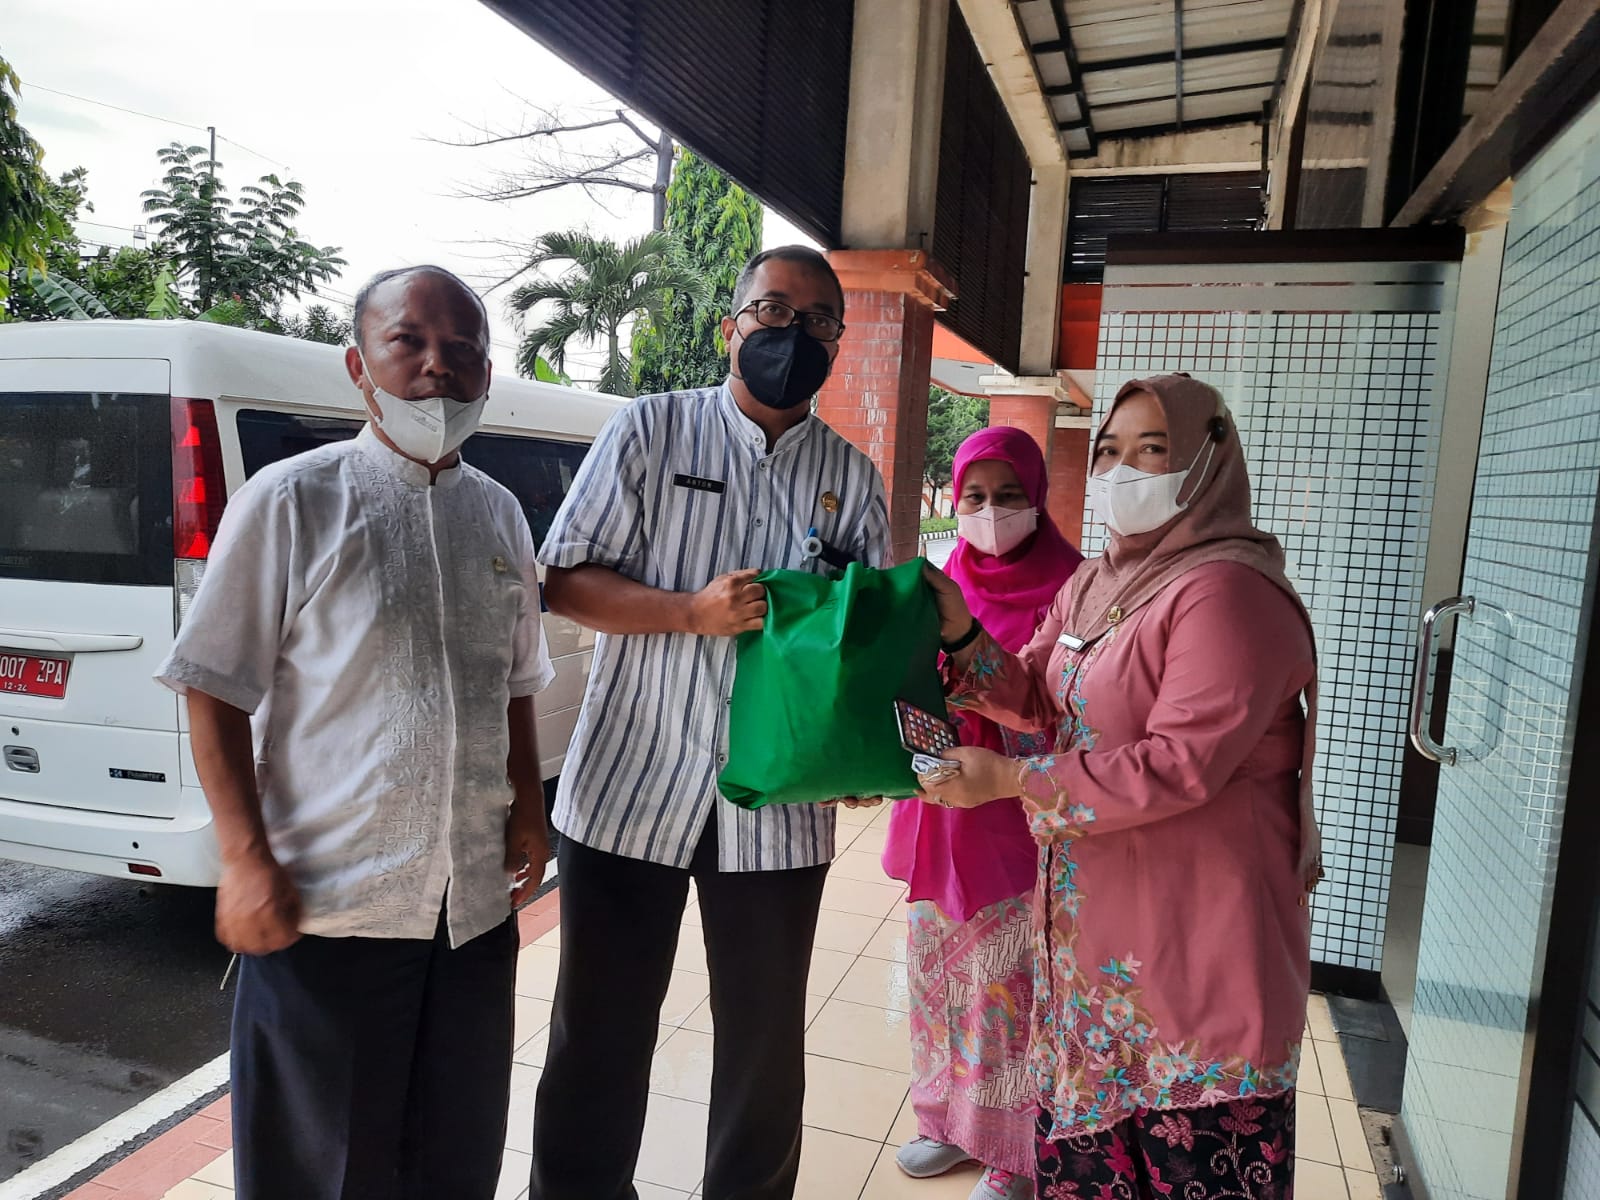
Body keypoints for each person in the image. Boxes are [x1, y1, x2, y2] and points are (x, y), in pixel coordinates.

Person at [155, 265, 554, 1200]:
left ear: (486, 372)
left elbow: (516, 680)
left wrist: (528, 807)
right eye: (407, 341)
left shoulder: (498, 512)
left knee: (453, 1159)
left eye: (463, 349)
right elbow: (211, 685)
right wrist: (244, 859)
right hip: (331, 910)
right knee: (322, 1171)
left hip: (470, 914)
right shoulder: (293, 500)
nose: (437, 367)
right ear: (357, 364)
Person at [528, 246, 891, 1200]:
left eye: (816, 320)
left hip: (779, 805)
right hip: (630, 783)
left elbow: (867, 638)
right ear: (731, 325)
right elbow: (563, 579)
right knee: (597, 1032)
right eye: (772, 310)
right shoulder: (649, 430)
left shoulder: (852, 479)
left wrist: (863, 749)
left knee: (764, 1048)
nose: (791, 333)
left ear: (837, 345)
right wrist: (688, 611)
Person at [918, 375, 1320, 1198]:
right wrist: (958, 630)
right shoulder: (1098, 583)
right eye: (1109, 450)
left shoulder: (1228, 592)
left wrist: (1011, 780)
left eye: (1154, 450)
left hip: (1195, 957)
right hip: (1095, 960)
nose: (1123, 469)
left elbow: (1180, 764)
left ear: (1208, 461)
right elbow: (1035, 694)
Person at [882, 426, 1082, 1200]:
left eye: (1008, 495)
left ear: (1037, 498)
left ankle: (1015, 1154)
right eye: (975, 496)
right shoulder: (939, 583)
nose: (990, 512)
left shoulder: (1072, 590)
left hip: (1016, 816)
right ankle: (947, 1123)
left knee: (1010, 994)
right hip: (940, 814)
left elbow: (1062, 713)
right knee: (939, 980)